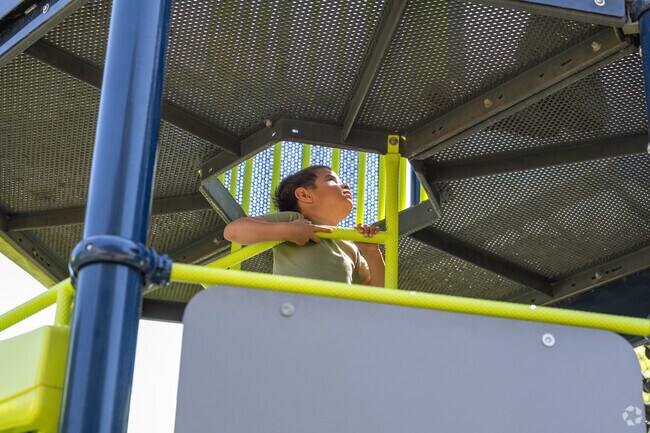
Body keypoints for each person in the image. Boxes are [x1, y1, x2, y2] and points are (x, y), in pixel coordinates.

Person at [224, 165, 385, 286]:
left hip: (332, 326)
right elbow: (233, 231)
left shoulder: (349, 245)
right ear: (304, 195)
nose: (346, 185)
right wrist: (287, 231)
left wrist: (373, 254)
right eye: (331, 180)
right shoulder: (294, 220)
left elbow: (376, 297)